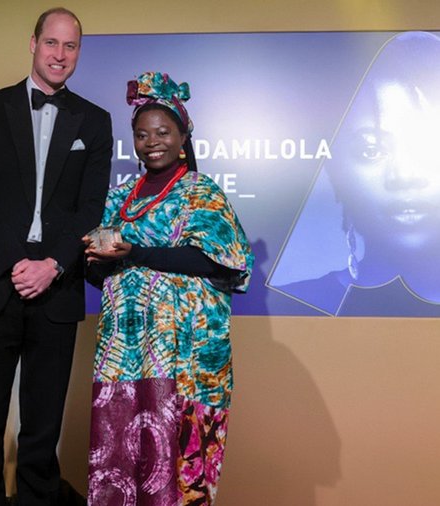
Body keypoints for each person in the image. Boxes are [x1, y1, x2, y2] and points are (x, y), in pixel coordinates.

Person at [0, 7, 113, 505]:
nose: (60, 55)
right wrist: (16, 263)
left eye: (71, 46)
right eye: (52, 43)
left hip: (56, 286)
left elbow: (92, 205)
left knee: (43, 424)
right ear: (33, 44)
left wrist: (53, 265)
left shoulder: (96, 121)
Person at [83, 72, 253, 505]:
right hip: (125, 353)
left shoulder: (202, 193)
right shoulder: (117, 198)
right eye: (142, 134)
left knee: (179, 472)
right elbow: (97, 273)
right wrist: (97, 262)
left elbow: (216, 259)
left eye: (162, 132)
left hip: (188, 358)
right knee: (120, 462)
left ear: (183, 137)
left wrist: (133, 253)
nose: (151, 141)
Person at [270, 31, 440, 316]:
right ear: (335, 172)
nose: (404, 175)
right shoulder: (295, 305)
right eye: (371, 150)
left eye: (426, 146)